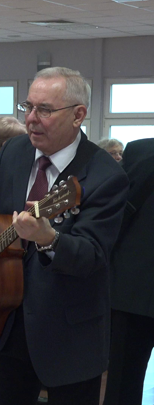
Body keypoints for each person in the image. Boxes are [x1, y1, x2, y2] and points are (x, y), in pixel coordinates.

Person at [0, 67, 128, 405]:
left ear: (78, 115)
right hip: (4, 321)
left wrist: (49, 238)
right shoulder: (14, 152)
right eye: (28, 106)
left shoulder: (106, 175)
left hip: (69, 337)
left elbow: (93, 255)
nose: (31, 118)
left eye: (44, 110)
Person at [103, 138, 154, 405]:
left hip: (133, 291)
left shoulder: (140, 151)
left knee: (123, 383)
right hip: (133, 292)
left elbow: (114, 212)